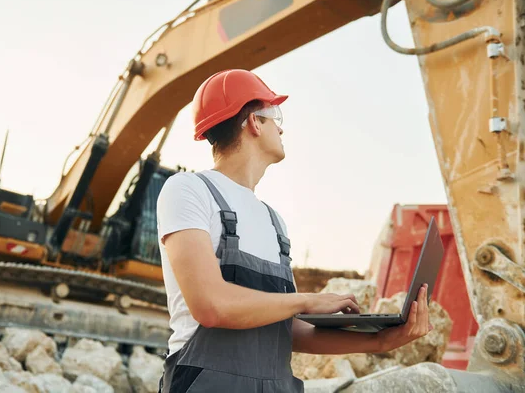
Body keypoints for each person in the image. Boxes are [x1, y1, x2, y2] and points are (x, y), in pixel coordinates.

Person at [156, 69, 432, 392]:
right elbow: (211, 305)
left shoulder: (274, 223)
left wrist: (381, 340)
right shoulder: (187, 190)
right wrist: (306, 301)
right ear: (253, 123)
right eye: (275, 115)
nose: (282, 127)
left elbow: (284, 332)